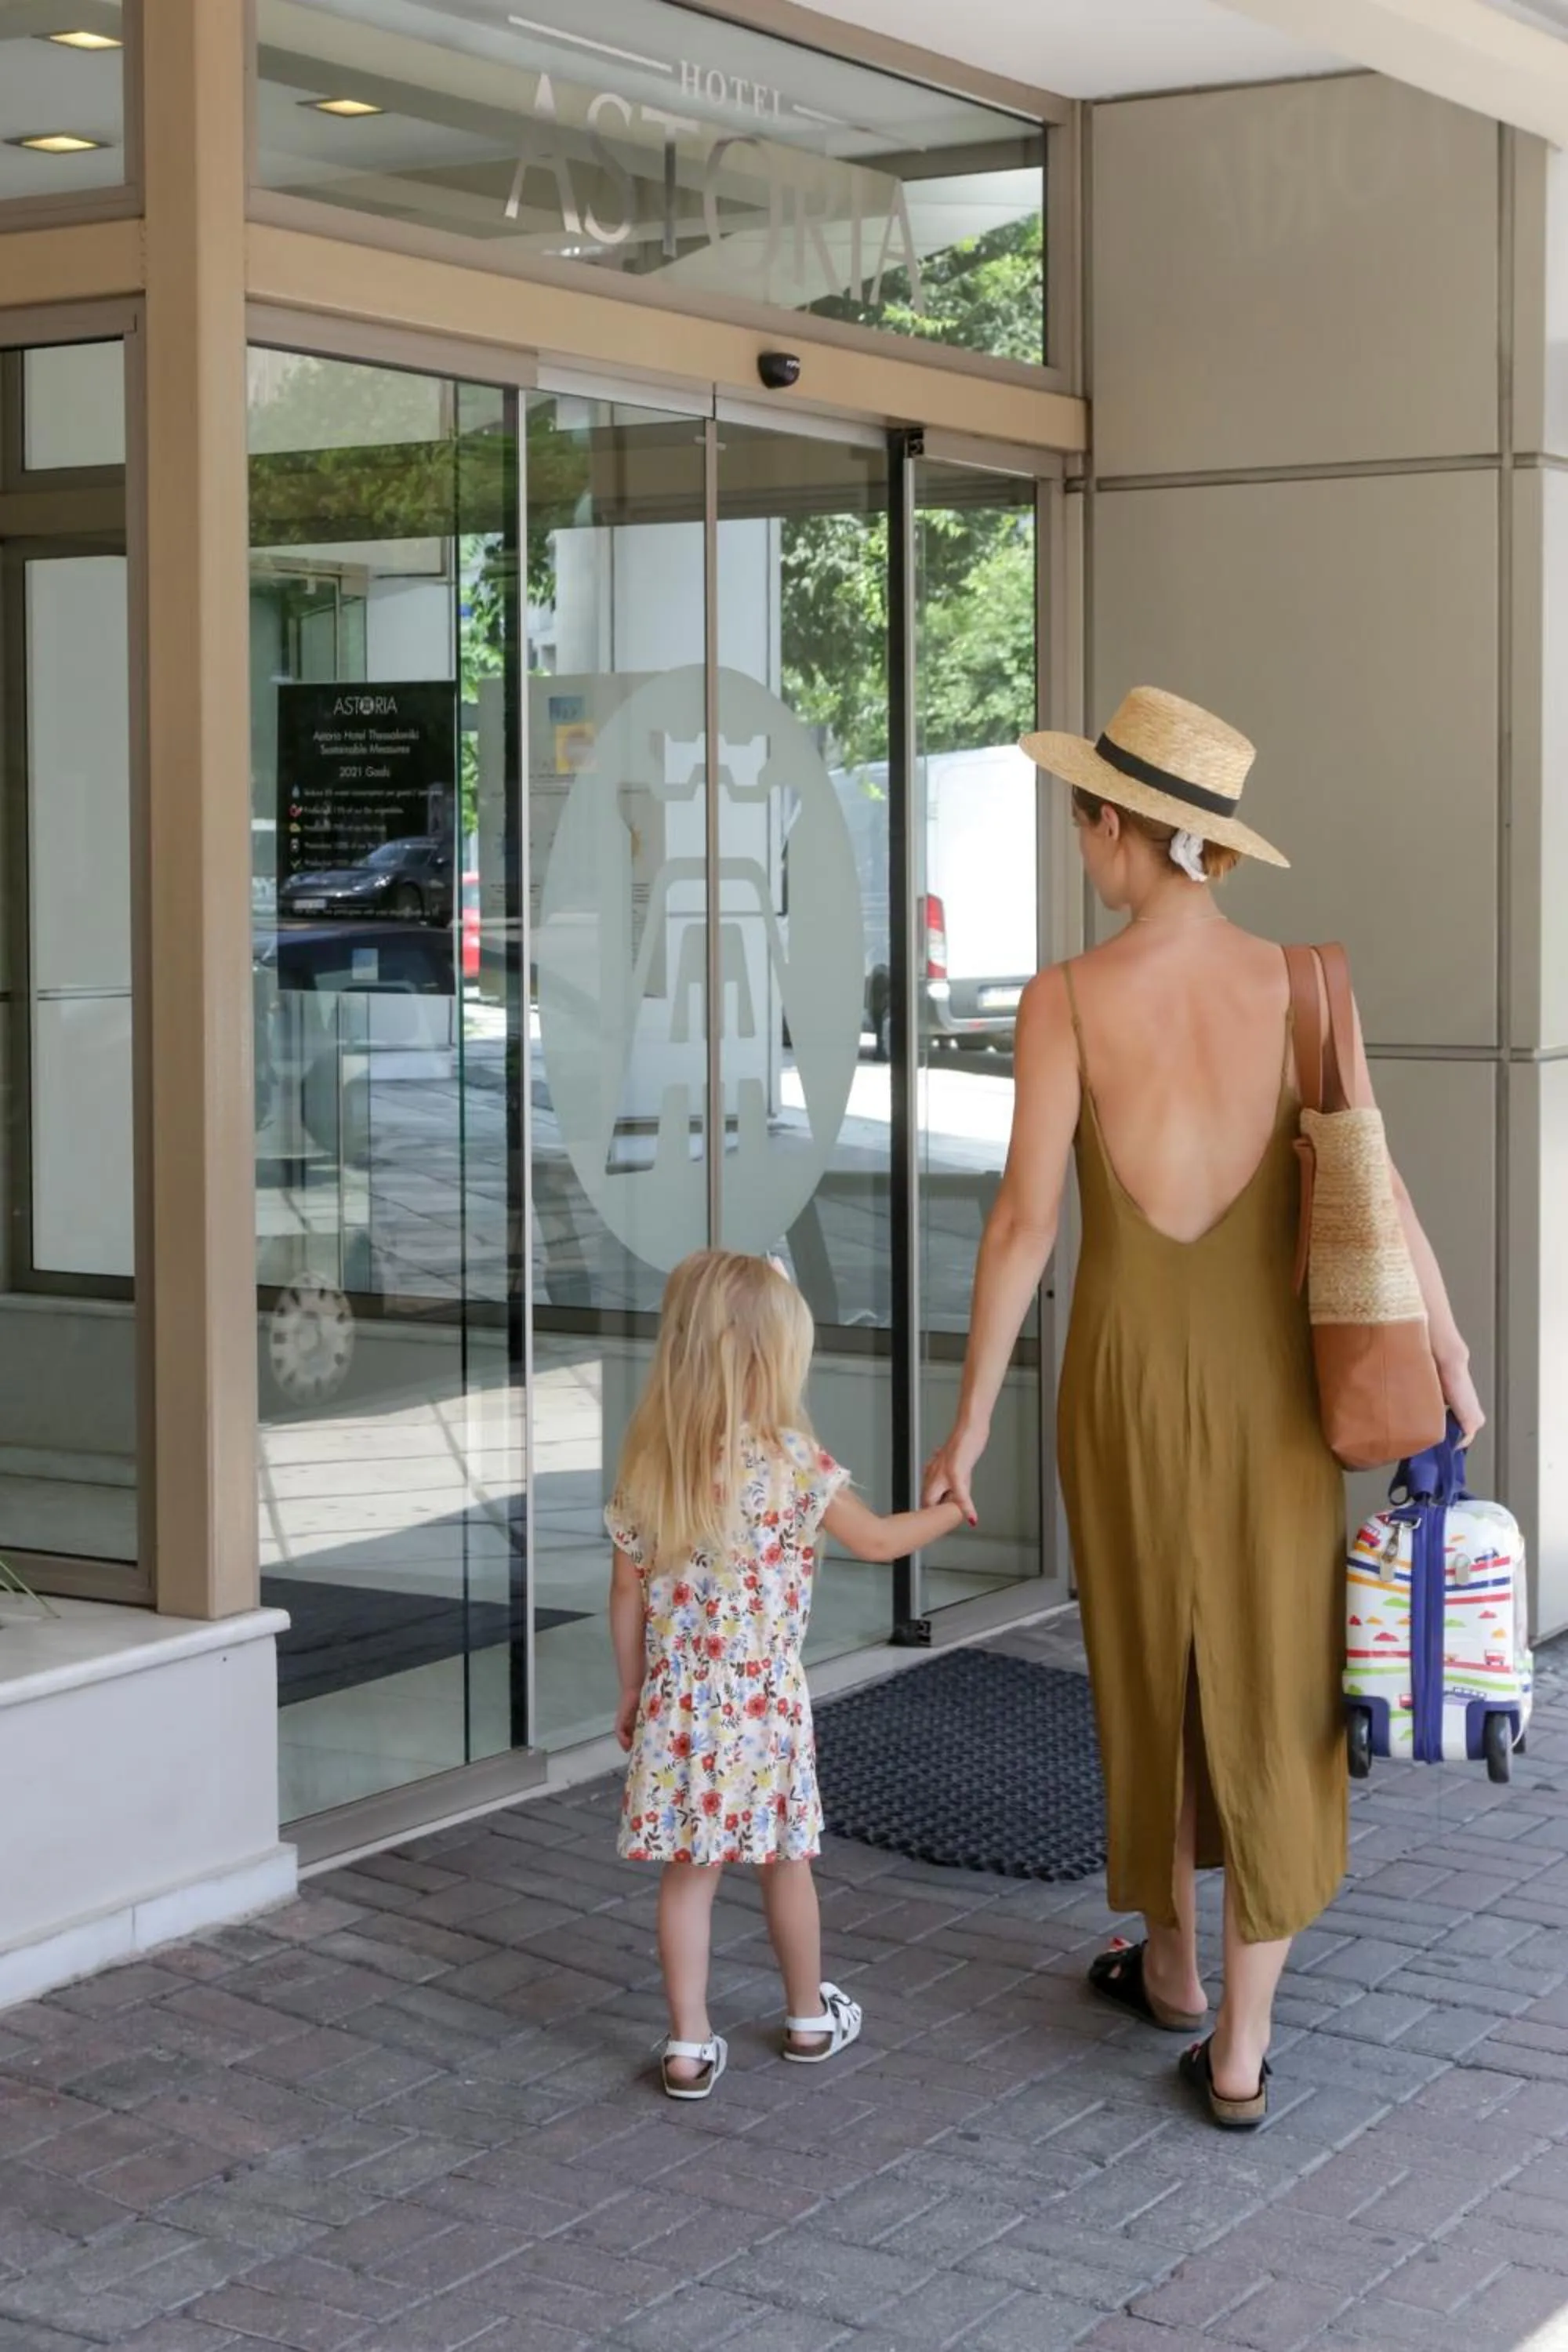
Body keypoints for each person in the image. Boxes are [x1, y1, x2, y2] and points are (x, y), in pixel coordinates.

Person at [923, 687, 1483, 2130]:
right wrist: (1452, 1350)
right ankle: (1236, 2051)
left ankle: (1167, 1963)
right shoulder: (1306, 985)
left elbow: (1023, 1229)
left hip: (1119, 1382)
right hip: (1273, 1395)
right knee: (1278, 1681)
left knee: (1150, 1665)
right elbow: (1379, 1187)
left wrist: (972, 1418)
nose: (1077, 847)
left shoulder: (1065, 1000)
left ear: (1120, 829)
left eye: (1082, 822)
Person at [608, 1247, 970, 2100]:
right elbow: (879, 1541)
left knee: (688, 1873)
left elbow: (625, 1592)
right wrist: (952, 1513)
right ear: (773, 1360)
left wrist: (632, 1687)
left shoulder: (651, 1467)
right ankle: (808, 2016)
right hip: (765, 1701)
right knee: (785, 1861)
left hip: (681, 1702)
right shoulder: (793, 1462)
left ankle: (688, 2045)